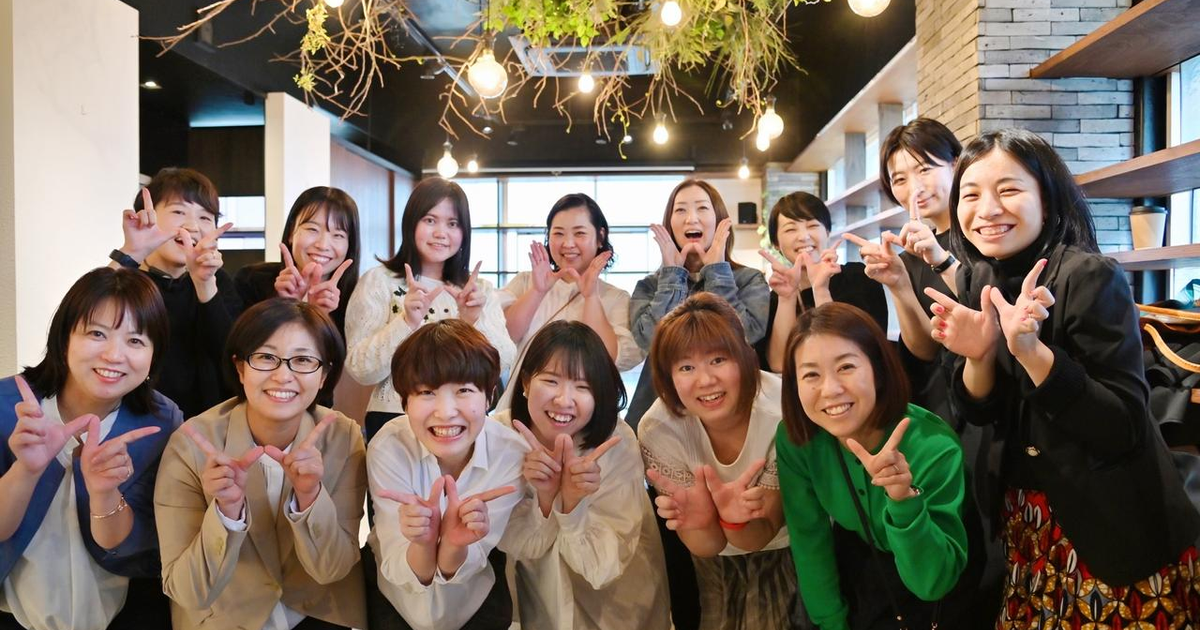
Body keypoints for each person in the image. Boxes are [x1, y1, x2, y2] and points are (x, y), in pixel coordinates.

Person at [926, 128, 1200, 627]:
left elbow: (1122, 427)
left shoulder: (1090, 276)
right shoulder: (975, 277)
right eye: (971, 194)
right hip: (1026, 523)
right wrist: (979, 356)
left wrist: (1033, 354)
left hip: (1110, 524)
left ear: (1048, 199)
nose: (987, 209)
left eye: (1008, 189)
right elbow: (979, 412)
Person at [155, 299, 367, 630]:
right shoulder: (191, 444)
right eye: (266, 357)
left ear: (324, 376)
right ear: (240, 368)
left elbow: (333, 569)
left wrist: (310, 497)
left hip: (319, 613)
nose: (283, 376)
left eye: (303, 360)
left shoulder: (342, 437)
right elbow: (189, 591)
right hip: (223, 619)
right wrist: (226, 513)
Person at [0, 267, 181, 630]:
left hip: (118, 615)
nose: (114, 355)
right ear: (64, 337)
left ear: (154, 354)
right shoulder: (9, 406)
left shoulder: (159, 423)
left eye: (135, 341)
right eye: (97, 334)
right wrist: (27, 470)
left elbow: (129, 548)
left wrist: (103, 492)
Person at [777, 302, 975, 629]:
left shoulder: (933, 447)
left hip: (937, 574)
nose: (830, 390)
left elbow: (933, 582)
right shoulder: (797, 439)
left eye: (846, 367)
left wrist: (903, 499)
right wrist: (831, 625)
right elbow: (809, 539)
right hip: (870, 573)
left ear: (878, 371)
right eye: (811, 374)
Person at [638, 292, 801, 630]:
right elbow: (706, 546)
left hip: (789, 548)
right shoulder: (659, 428)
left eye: (718, 360)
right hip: (713, 564)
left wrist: (735, 521)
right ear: (668, 376)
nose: (706, 380)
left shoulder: (782, 410)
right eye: (686, 367)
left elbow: (764, 531)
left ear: (745, 357)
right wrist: (700, 523)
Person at [497, 320, 670, 630]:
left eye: (583, 386)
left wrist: (573, 505)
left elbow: (602, 568)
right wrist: (546, 499)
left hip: (616, 608)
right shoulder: (501, 437)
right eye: (551, 380)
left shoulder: (615, 442)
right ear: (525, 382)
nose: (564, 400)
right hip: (538, 606)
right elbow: (516, 545)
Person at [366, 319, 523, 630]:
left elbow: (473, 559)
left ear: (489, 396)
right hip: (395, 597)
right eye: (427, 392)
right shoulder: (389, 446)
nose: (446, 412)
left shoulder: (510, 453)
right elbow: (399, 566)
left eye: (464, 390)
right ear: (404, 402)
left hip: (474, 598)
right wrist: (423, 545)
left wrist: (453, 545)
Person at [345, 177, 516, 442]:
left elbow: (504, 361)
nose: (441, 233)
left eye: (452, 223)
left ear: (464, 232)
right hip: (394, 419)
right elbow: (360, 368)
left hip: (460, 421)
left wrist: (472, 322)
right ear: (411, 223)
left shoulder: (478, 290)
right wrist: (406, 322)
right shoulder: (379, 281)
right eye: (430, 220)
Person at [628, 179, 769, 425]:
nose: (691, 219)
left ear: (719, 220)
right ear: (669, 224)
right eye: (681, 210)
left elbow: (746, 336)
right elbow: (649, 340)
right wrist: (672, 276)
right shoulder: (649, 286)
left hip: (730, 410)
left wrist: (717, 272)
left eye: (702, 208)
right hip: (662, 415)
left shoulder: (749, 280)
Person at [108, 167, 243, 418]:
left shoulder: (219, 281)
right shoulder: (127, 280)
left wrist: (204, 283)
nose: (192, 226)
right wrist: (131, 251)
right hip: (135, 420)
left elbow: (233, 358)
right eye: (179, 212)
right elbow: (80, 318)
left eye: (205, 217)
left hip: (208, 426)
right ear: (147, 215)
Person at [495, 193, 642, 410]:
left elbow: (608, 359)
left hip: (582, 412)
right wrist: (538, 291)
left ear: (600, 237)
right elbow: (504, 338)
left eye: (579, 233)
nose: (568, 243)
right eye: (558, 233)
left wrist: (591, 296)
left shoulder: (615, 297)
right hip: (521, 407)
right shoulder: (526, 282)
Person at [757, 191, 887, 372]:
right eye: (790, 229)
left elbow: (865, 353)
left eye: (812, 225)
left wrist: (820, 290)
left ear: (827, 232)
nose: (803, 236)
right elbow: (779, 365)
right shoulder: (774, 301)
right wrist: (787, 298)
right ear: (776, 244)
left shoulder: (858, 278)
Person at [235, 186, 360, 337]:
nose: (322, 245)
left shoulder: (358, 298)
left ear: (350, 245)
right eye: (312, 229)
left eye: (338, 235)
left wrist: (319, 316)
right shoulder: (251, 281)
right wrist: (283, 305)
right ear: (290, 233)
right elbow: (239, 345)